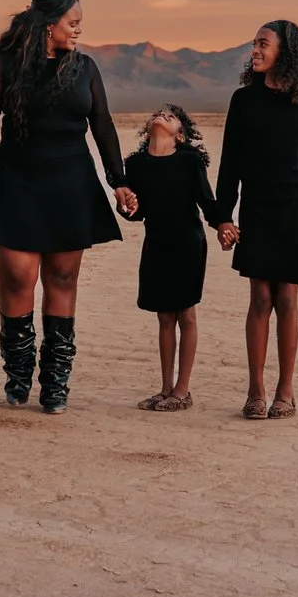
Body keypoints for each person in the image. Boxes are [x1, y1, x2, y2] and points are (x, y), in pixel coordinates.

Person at [0, 0, 137, 414]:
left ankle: (55, 384)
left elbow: (102, 126)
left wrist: (118, 182)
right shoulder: (6, 64)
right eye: (73, 21)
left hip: (71, 183)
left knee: (63, 279)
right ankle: (17, 376)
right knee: (17, 278)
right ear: (49, 25)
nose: (79, 28)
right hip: (17, 181)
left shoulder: (85, 68)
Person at [213, 20, 298, 421]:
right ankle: (255, 392)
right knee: (260, 299)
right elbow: (230, 162)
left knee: (286, 299)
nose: (254, 50)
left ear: (286, 50)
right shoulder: (243, 100)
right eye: (253, 43)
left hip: (295, 210)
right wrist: (222, 216)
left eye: (263, 44)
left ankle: (285, 392)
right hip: (256, 209)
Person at [120, 103, 227, 412]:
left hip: (187, 244)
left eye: (171, 117)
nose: (162, 114)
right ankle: (166, 389)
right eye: (159, 113)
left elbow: (207, 202)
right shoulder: (136, 164)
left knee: (186, 314)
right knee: (164, 317)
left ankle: (183, 390)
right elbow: (134, 213)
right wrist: (124, 207)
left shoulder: (190, 161)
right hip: (156, 243)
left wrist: (223, 224)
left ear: (180, 135)